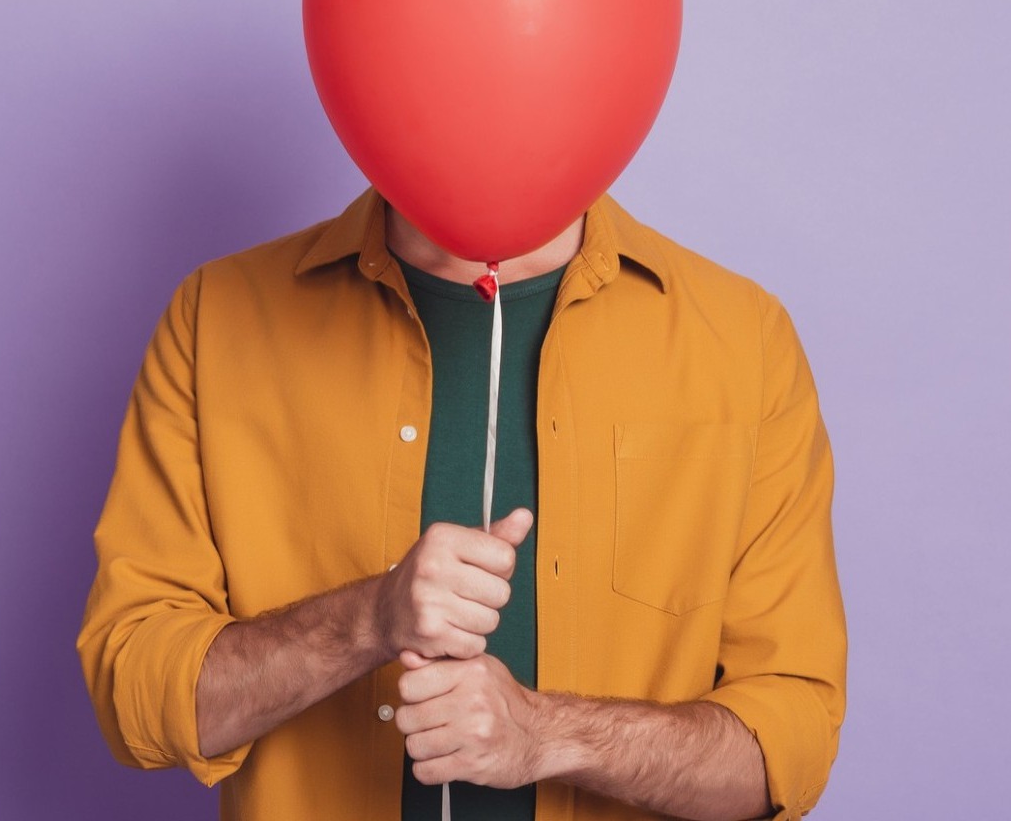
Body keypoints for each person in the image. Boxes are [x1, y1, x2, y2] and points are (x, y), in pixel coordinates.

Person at [78, 186, 846, 821]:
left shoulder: (743, 344)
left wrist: (548, 735)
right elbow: (136, 693)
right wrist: (370, 618)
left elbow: (788, 744)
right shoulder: (218, 318)